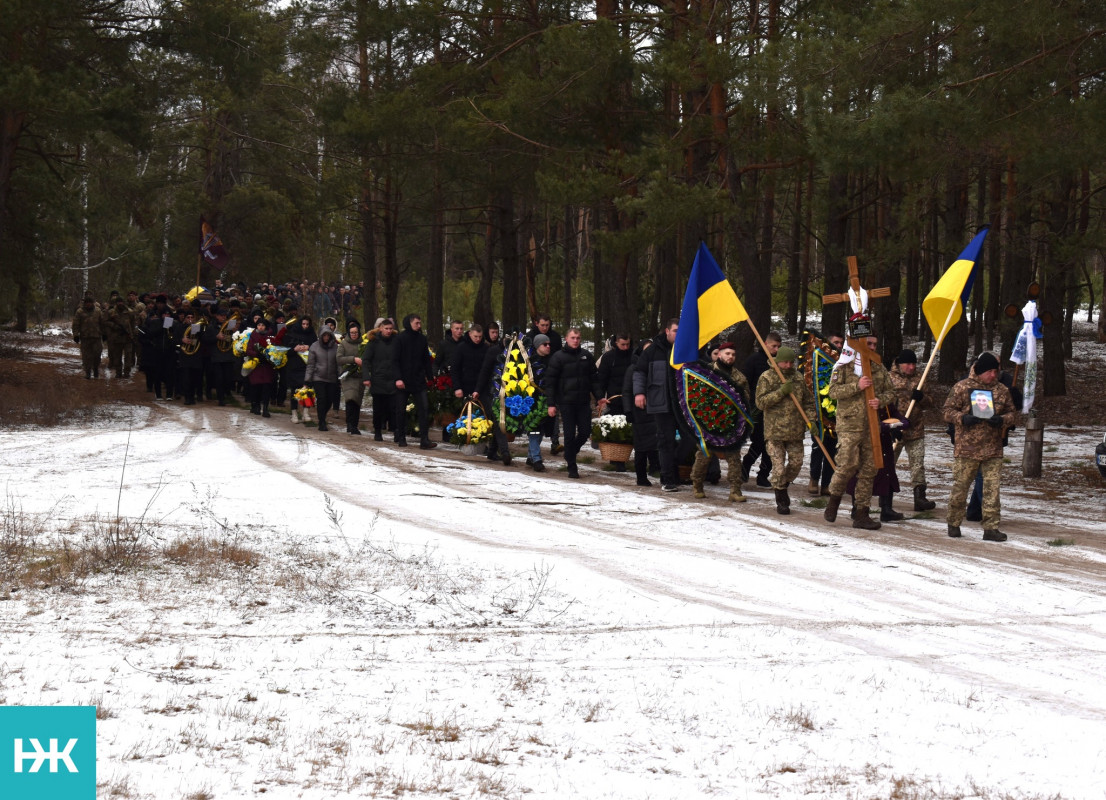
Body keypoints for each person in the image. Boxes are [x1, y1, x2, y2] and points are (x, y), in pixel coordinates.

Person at [823, 335, 896, 530]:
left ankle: (862, 513)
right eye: (868, 344)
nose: (872, 347)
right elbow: (833, 392)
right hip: (849, 425)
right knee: (847, 465)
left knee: (869, 470)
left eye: (874, 344)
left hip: (871, 425)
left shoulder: (879, 368)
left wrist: (880, 400)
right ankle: (834, 500)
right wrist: (858, 385)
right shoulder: (843, 366)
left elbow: (891, 392)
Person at [943, 352, 1017, 542]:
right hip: (967, 449)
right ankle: (954, 523)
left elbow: (1012, 413)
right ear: (980, 370)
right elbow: (947, 411)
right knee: (961, 487)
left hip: (993, 449)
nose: (993, 375)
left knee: (992, 490)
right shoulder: (962, 387)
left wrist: (1002, 420)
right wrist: (962, 418)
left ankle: (991, 527)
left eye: (995, 371)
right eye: (989, 371)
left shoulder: (1001, 390)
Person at [755, 346, 816, 514]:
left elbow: (808, 402)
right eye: (785, 362)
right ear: (777, 361)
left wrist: (812, 421)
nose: (788, 365)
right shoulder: (767, 377)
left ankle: (782, 483)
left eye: (791, 362)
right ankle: (781, 496)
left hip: (795, 431)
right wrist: (781, 392)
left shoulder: (798, 378)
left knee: (796, 464)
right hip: (774, 432)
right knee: (779, 468)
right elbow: (760, 403)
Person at [691, 342, 751, 503]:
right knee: (704, 456)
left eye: (733, 354)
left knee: (734, 457)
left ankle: (735, 490)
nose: (730, 357)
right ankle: (697, 485)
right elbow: (697, 396)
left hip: (731, 424)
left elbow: (746, 400)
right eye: (727, 353)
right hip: (709, 422)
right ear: (719, 355)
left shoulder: (739, 377)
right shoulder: (706, 372)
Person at [544, 327, 598, 479]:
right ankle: (572, 467)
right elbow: (551, 383)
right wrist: (551, 404)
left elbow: (594, 379)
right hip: (566, 403)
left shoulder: (586, 356)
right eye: (573, 338)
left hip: (583, 402)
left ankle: (570, 452)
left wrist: (599, 397)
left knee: (585, 432)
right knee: (568, 434)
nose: (576, 341)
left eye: (578, 338)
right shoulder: (558, 357)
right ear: (566, 339)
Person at [633, 318, 680, 491]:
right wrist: (639, 393)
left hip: (683, 404)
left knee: (689, 440)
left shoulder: (687, 350)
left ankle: (678, 472)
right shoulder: (652, 350)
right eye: (675, 330)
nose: (678, 334)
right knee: (665, 441)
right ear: (667, 331)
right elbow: (639, 371)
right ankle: (668, 479)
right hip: (661, 403)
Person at [889, 349, 936, 511]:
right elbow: (883, 404)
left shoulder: (920, 379)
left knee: (918, 464)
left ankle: (920, 497)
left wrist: (921, 397)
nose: (912, 367)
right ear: (900, 364)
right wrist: (888, 426)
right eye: (908, 364)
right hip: (895, 429)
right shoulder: (890, 378)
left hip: (915, 429)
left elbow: (930, 402)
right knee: (888, 464)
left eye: (914, 364)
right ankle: (885, 499)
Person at [742, 331, 782, 487]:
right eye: (774, 346)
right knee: (758, 442)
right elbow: (746, 383)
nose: (776, 349)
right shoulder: (754, 361)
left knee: (772, 445)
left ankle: (763, 475)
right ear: (766, 344)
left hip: (775, 410)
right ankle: (745, 465)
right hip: (757, 409)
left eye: (779, 346)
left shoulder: (779, 362)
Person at [392, 314, 437, 449]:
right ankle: (401, 437)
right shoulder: (400, 338)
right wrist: (398, 378)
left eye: (420, 323)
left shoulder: (422, 339)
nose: (419, 325)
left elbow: (426, 360)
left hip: (418, 380)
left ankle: (424, 439)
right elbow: (394, 360)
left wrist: (430, 377)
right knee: (400, 410)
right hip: (403, 381)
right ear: (410, 323)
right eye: (417, 323)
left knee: (424, 408)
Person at [807, 333, 843, 496]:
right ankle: (814, 479)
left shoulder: (843, 364)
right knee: (818, 449)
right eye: (836, 342)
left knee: (833, 450)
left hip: (837, 414)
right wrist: (811, 417)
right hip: (818, 414)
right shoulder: (819, 361)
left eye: (841, 343)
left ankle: (826, 484)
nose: (839, 346)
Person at [473, 323, 511, 465]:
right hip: (490, 391)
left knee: (499, 421)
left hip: (506, 392)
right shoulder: (493, 351)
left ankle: (492, 451)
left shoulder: (514, 353)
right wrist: (477, 390)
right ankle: (505, 452)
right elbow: (485, 371)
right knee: (498, 419)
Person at [595, 334, 634, 472]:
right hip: (614, 397)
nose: (625, 347)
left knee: (628, 426)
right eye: (622, 344)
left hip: (631, 397)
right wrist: (600, 398)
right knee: (617, 427)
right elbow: (601, 380)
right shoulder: (608, 358)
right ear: (616, 343)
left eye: (628, 344)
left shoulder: (633, 356)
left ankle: (624, 455)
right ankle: (617, 459)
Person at [623, 340, 659, 486]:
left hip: (656, 409)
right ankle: (641, 476)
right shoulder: (633, 368)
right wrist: (628, 411)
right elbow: (626, 391)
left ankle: (658, 470)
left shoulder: (657, 366)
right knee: (641, 447)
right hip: (639, 411)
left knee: (656, 444)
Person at [527, 315, 564, 451]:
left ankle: (554, 441)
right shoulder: (529, 338)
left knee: (552, 415)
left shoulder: (554, 337)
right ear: (537, 324)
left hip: (551, 387)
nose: (545, 328)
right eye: (542, 325)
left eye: (547, 325)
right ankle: (534, 455)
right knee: (536, 426)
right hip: (535, 389)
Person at [362, 318, 397, 441]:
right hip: (378, 379)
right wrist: (366, 377)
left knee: (394, 407)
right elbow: (365, 361)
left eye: (390, 329)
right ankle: (377, 431)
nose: (388, 331)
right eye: (386, 328)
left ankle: (396, 431)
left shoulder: (396, 342)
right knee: (378, 408)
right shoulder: (373, 342)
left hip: (393, 380)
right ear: (381, 328)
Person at [524, 334, 554, 471]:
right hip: (532, 399)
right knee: (534, 429)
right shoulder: (529, 361)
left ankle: (531, 456)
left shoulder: (552, 360)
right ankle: (536, 458)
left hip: (547, 399)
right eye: (545, 344)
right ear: (537, 346)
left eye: (549, 344)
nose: (548, 346)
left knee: (540, 430)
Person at [305, 325, 340, 430]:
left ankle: (322, 416)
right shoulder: (314, 346)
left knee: (330, 400)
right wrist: (307, 380)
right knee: (322, 399)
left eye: (328, 335)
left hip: (332, 378)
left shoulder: (336, 347)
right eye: (324, 335)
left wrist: (341, 377)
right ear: (320, 335)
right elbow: (310, 365)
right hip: (318, 377)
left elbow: (339, 363)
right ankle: (321, 422)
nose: (326, 337)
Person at [282, 314, 316, 421]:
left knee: (307, 388)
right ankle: (294, 413)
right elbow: (286, 351)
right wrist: (295, 349)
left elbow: (316, 348)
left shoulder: (312, 335)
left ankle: (306, 412)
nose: (305, 326)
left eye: (307, 324)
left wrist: (309, 347)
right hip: (294, 365)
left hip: (307, 366)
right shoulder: (292, 334)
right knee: (294, 389)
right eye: (303, 324)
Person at [337, 320, 365, 434]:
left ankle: (355, 425)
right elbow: (339, 359)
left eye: (356, 332)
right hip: (348, 376)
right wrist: (353, 359)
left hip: (360, 376)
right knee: (350, 399)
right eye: (352, 333)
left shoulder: (363, 344)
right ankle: (349, 424)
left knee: (357, 400)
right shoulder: (343, 344)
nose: (354, 334)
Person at [245, 317, 277, 417]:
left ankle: (266, 408)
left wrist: (269, 354)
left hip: (267, 366)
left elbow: (274, 347)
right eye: (259, 325)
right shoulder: (253, 336)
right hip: (256, 365)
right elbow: (248, 349)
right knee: (256, 387)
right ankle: (256, 406)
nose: (261, 327)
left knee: (266, 387)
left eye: (262, 325)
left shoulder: (270, 336)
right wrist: (257, 354)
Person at [72, 295, 105, 379]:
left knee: (97, 355)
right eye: (87, 303)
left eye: (90, 303)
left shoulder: (98, 311)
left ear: (93, 303)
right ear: (84, 303)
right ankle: (88, 373)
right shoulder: (80, 312)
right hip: (85, 337)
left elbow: (103, 323)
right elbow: (75, 324)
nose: (88, 304)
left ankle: (96, 369)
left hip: (97, 337)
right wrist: (76, 335)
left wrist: (105, 334)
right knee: (86, 356)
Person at [450, 324, 487, 398]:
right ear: (470, 334)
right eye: (475, 336)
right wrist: (457, 387)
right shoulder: (461, 347)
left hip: (482, 387)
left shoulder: (485, 348)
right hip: (465, 387)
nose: (478, 339)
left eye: (480, 336)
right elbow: (455, 368)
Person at [104, 298, 135, 379]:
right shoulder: (111, 312)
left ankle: (127, 373)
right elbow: (106, 322)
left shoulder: (130, 312)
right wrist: (115, 326)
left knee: (128, 356)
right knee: (117, 356)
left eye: (121, 302)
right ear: (116, 303)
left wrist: (132, 334)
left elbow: (133, 324)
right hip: (116, 337)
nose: (120, 303)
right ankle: (118, 372)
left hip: (127, 337)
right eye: (118, 302)